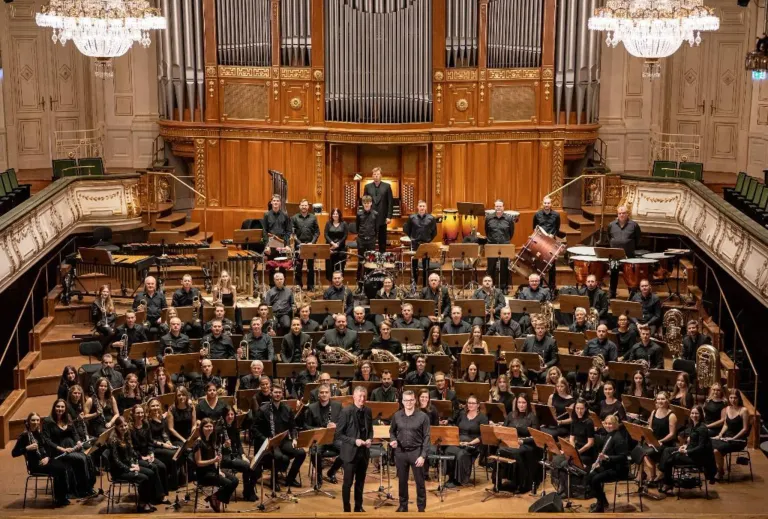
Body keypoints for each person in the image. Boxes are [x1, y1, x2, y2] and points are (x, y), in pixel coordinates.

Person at [251, 384, 306, 487]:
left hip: (283, 441)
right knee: (279, 457)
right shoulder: (263, 410)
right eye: (275, 392)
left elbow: (293, 427)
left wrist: (294, 438)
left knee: (301, 453)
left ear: (282, 395)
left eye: (280, 393)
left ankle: (290, 479)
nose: (277, 395)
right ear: (271, 393)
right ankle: (273, 481)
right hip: (270, 442)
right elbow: (254, 428)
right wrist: (266, 440)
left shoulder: (287, 409)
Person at [14, 412, 72, 507]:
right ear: (28, 422)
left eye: (37, 420)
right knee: (59, 469)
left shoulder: (38, 433)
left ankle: (63, 496)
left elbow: (47, 448)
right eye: (33, 420)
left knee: (64, 465)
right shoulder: (24, 436)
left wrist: (47, 457)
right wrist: (27, 448)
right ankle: (60, 498)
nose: (35, 422)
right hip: (36, 465)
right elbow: (14, 453)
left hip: (44, 460)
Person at [42, 399, 97, 498]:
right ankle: (81, 490)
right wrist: (62, 449)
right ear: (54, 408)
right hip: (58, 451)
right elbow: (47, 441)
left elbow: (74, 433)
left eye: (62, 407)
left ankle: (89, 487)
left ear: (65, 408)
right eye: (58, 406)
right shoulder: (48, 421)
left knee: (87, 457)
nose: (60, 409)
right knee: (81, 459)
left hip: (72, 448)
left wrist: (78, 442)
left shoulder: (67, 417)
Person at [109, 416, 163, 512]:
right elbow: (115, 460)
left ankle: (147, 501)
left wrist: (135, 463)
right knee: (144, 478)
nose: (124, 428)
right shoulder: (113, 440)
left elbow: (132, 453)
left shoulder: (126, 435)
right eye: (121, 426)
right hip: (120, 470)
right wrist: (128, 469)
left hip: (130, 465)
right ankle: (142, 504)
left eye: (125, 425)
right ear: (116, 427)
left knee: (151, 472)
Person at [659, 405, 716, 493]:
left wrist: (686, 451)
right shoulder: (694, 425)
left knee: (669, 460)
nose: (694, 415)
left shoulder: (702, 428)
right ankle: (664, 474)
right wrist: (685, 445)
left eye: (696, 413)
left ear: (701, 415)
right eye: (692, 413)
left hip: (697, 457)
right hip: (691, 451)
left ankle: (667, 482)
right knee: (667, 450)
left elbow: (701, 447)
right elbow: (693, 442)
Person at [389, 390, 430, 512]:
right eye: (406, 400)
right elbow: (392, 431)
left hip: (416, 452)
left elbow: (427, 437)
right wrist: (393, 440)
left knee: (420, 482)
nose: (408, 402)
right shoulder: (397, 416)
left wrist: (423, 456)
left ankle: (421, 508)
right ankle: (403, 505)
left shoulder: (423, 417)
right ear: (402, 401)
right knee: (402, 481)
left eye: (411, 400)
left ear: (415, 400)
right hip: (400, 453)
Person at [335, 386, 373, 512]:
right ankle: (347, 510)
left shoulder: (368, 411)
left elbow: (370, 430)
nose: (362, 399)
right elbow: (338, 434)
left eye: (364, 396)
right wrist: (354, 441)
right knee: (348, 483)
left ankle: (358, 507)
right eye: (360, 396)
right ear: (354, 397)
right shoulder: (346, 411)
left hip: (363, 453)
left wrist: (369, 439)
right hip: (350, 453)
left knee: (360, 482)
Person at [495, 393, 540, 494]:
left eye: (523, 402)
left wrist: (522, 441)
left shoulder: (532, 417)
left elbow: (536, 436)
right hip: (511, 443)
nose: (521, 405)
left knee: (517, 452)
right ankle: (497, 482)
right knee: (499, 450)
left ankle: (521, 484)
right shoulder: (511, 415)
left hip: (527, 444)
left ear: (527, 404)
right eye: (519, 402)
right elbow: (505, 430)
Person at [194, 418, 239, 512]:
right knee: (228, 483)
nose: (209, 428)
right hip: (204, 474)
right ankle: (216, 499)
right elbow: (198, 463)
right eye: (206, 426)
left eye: (211, 426)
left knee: (235, 480)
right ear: (201, 428)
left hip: (213, 470)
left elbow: (215, 459)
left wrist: (218, 470)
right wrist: (213, 460)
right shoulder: (198, 442)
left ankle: (215, 497)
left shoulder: (211, 440)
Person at [303, 383, 344, 486]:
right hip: (319, 438)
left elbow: (344, 423)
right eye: (322, 392)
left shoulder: (337, 406)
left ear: (330, 394)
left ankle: (332, 472)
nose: (324, 394)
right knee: (314, 453)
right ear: (318, 395)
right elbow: (306, 426)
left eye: (326, 392)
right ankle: (319, 473)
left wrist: (336, 425)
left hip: (334, 437)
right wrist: (319, 429)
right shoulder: (311, 408)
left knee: (348, 450)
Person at [585, 415, 628, 513]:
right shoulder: (610, 434)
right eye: (606, 423)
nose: (608, 426)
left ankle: (600, 506)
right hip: (610, 466)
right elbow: (604, 452)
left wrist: (607, 458)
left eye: (610, 424)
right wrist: (598, 463)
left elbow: (623, 457)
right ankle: (602, 500)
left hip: (619, 469)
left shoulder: (618, 438)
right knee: (590, 476)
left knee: (595, 479)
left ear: (615, 425)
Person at [634, 391, 678, 486]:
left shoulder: (672, 415)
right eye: (658, 399)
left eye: (663, 399)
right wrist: (649, 438)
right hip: (654, 441)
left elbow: (672, 434)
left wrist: (659, 441)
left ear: (667, 400)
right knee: (639, 448)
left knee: (647, 452)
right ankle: (652, 475)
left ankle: (655, 475)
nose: (660, 401)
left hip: (665, 443)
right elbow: (650, 428)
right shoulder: (654, 412)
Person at [444, 395, 488, 487]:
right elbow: (456, 429)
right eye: (469, 403)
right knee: (448, 451)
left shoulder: (482, 418)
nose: (470, 405)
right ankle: (451, 477)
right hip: (459, 441)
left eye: (473, 403)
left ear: (478, 405)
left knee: (461, 454)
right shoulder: (462, 415)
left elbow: (483, 436)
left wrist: (470, 443)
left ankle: (459, 480)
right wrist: (456, 440)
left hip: (474, 444)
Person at [129, 404, 170, 501]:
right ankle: (159, 496)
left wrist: (151, 453)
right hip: (136, 457)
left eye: (141, 412)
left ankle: (162, 493)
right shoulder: (130, 429)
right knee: (154, 467)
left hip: (147, 454)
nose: (140, 415)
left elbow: (150, 442)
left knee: (162, 466)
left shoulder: (146, 424)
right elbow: (130, 448)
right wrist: (142, 457)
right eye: (138, 413)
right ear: (133, 414)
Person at [220, 406, 261, 502]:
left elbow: (239, 445)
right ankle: (248, 492)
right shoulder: (219, 429)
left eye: (232, 414)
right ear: (223, 416)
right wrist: (224, 445)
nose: (230, 417)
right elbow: (215, 448)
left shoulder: (235, 428)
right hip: (225, 458)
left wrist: (243, 455)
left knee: (257, 465)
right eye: (228, 415)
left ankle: (248, 489)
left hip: (236, 455)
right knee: (247, 466)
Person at [712, 389, 751, 480]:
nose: (733, 400)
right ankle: (715, 468)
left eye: (735, 398)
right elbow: (726, 424)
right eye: (731, 397)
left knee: (716, 451)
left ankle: (720, 471)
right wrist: (720, 434)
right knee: (709, 443)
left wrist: (733, 438)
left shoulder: (743, 410)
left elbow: (745, 429)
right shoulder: (727, 409)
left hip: (738, 440)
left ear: (739, 399)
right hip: (727, 438)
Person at [607, 205, 642, 298]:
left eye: (623, 213)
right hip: (615, 257)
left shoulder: (634, 225)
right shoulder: (611, 225)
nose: (621, 215)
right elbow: (609, 238)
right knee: (613, 275)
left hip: (629, 257)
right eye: (619, 213)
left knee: (630, 276)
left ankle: (632, 295)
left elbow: (638, 239)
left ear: (627, 214)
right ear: (617, 214)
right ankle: (612, 294)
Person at [146, 398, 179, 490]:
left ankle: (174, 480)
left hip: (163, 443)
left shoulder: (160, 416)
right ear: (148, 407)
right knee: (173, 454)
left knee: (179, 451)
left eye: (157, 405)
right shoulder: (146, 421)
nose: (155, 407)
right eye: (153, 406)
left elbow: (163, 432)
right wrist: (164, 445)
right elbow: (150, 440)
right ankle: (170, 484)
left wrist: (167, 441)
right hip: (154, 446)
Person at [404, 200, 438, 287]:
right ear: (417, 207)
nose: (422, 208)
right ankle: (414, 285)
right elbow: (407, 230)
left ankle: (425, 287)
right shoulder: (412, 217)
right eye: (420, 206)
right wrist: (413, 238)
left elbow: (434, 232)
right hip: (415, 244)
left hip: (426, 244)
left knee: (426, 267)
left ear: (426, 208)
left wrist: (428, 240)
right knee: (414, 266)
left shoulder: (431, 218)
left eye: (423, 206)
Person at [485, 200, 515, 292]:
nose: (498, 208)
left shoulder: (509, 219)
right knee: (491, 266)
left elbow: (511, 233)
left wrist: (505, 240)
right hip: (492, 244)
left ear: (503, 207)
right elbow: (487, 231)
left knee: (504, 266)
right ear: (494, 207)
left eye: (500, 206)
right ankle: (489, 287)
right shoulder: (489, 218)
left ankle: (503, 287)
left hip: (504, 245)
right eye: (496, 206)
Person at [262, 194, 293, 285]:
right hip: (271, 244)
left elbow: (288, 231)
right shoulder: (267, 215)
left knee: (282, 266)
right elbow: (264, 231)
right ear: (271, 202)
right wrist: (266, 246)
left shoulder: (285, 215)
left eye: (277, 201)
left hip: (282, 244)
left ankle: (282, 285)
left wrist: (287, 244)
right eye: (274, 201)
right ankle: (272, 286)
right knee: (271, 266)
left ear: (280, 203)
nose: (275, 202)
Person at [292, 199, 321, 291]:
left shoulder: (313, 217)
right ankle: (298, 286)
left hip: (310, 245)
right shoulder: (294, 218)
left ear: (308, 207)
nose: (304, 207)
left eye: (306, 205)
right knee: (298, 267)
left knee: (310, 267)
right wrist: (300, 243)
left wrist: (312, 243)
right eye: (302, 205)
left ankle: (310, 285)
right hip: (299, 246)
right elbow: (293, 234)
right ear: (299, 206)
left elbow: (317, 232)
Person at [363, 167, 394, 252]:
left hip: (383, 217)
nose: (376, 176)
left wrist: (389, 216)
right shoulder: (367, 187)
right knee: (370, 240)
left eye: (377, 174)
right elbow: (364, 201)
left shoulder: (387, 186)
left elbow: (390, 202)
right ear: (372, 176)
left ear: (381, 176)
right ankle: (370, 259)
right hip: (370, 217)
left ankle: (382, 258)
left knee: (382, 240)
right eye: (374, 174)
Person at [533, 196, 561, 290]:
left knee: (552, 266)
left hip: (552, 242)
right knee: (539, 264)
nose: (546, 205)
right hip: (540, 242)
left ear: (551, 204)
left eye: (548, 203)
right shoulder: (537, 215)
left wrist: (552, 235)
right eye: (545, 203)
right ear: (542, 204)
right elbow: (534, 228)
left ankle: (552, 287)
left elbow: (557, 228)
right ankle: (539, 286)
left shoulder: (556, 215)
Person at [112, 311, 149, 381]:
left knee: (146, 366)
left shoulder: (140, 328)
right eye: (128, 318)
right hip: (123, 355)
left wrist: (145, 357)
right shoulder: (119, 329)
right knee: (130, 367)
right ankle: (126, 383)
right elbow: (112, 343)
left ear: (135, 318)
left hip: (136, 354)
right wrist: (114, 344)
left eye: (132, 317)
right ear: (125, 319)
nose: (130, 320)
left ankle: (138, 382)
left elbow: (145, 342)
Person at [356, 195, 379, 281]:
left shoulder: (375, 214)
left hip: (371, 240)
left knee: (371, 262)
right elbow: (357, 227)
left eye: (368, 203)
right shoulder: (359, 214)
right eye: (365, 203)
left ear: (371, 203)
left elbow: (376, 229)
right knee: (360, 261)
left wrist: (373, 238)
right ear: (362, 203)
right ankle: (359, 282)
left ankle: (370, 281)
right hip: (361, 240)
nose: (366, 204)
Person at [324, 208, 349, 281]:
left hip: (341, 247)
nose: (335, 215)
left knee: (340, 265)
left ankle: (339, 281)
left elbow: (345, 235)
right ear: (331, 215)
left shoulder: (344, 223)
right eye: (333, 214)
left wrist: (338, 244)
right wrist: (332, 243)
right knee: (330, 266)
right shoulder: (328, 223)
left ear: (339, 215)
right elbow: (326, 235)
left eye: (336, 214)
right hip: (330, 247)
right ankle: (330, 282)